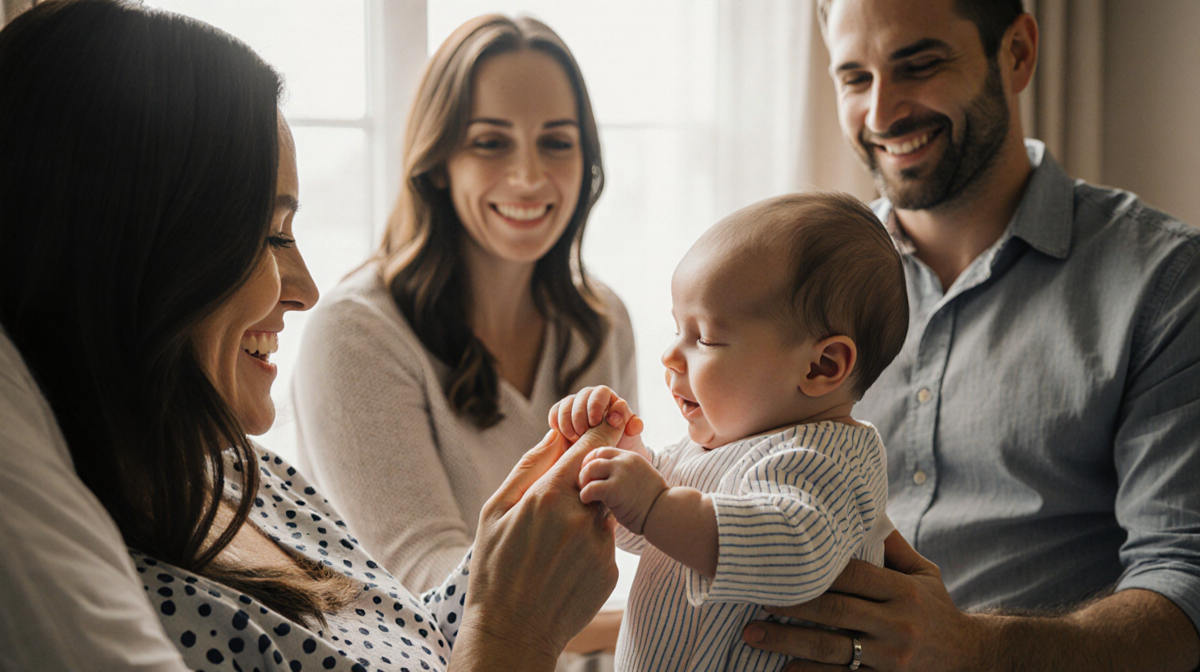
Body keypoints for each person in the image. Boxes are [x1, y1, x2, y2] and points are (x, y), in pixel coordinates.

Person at [0, 2, 622, 670]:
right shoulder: (149, 603)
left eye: (557, 141)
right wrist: (515, 630)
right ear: (133, 254)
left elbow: (416, 636)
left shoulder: (250, 474)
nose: (305, 288)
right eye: (269, 235)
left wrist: (505, 553)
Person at [739, 1, 1200, 670]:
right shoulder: (792, 287)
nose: (881, 114)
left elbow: (1185, 597)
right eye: (855, 78)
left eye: (919, 65)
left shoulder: (1167, 282)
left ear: (1017, 53)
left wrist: (971, 647)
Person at [291, 16, 638, 611]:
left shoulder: (600, 321)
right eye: (490, 142)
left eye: (557, 141)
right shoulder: (356, 333)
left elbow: (614, 541)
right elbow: (436, 593)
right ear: (437, 162)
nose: (528, 177)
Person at [550, 192, 908, 671]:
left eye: (704, 339)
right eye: (678, 329)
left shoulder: (825, 460)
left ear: (822, 366)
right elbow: (647, 535)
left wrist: (654, 503)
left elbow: (794, 557)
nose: (671, 356)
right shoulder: (717, 443)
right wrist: (623, 460)